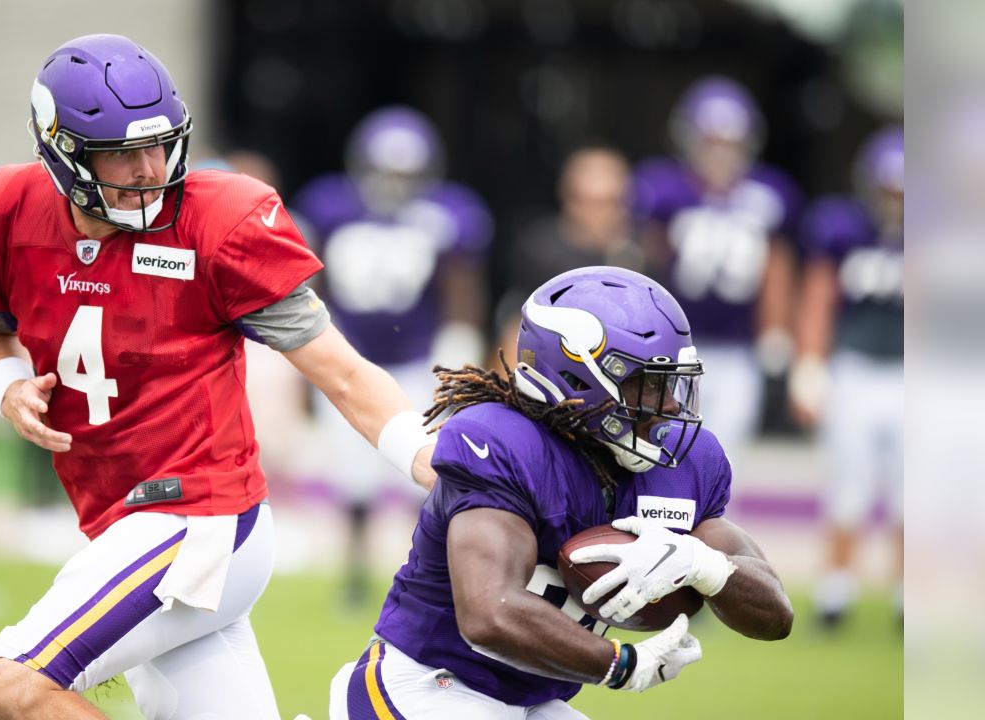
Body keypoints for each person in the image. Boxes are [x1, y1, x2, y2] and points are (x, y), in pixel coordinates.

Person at [0, 35, 438, 720]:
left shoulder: (217, 221)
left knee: (12, 682)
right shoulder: (4, 209)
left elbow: (340, 372)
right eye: (122, 152)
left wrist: (433, 461)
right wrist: (6, 384)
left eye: (160, 144)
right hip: (121, 520)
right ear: (60, 149)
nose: (149, 168)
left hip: (198, 521)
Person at [329, 267, 793, 719]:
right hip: (430, 683)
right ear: (579, 378)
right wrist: (620, 664)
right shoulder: (502, 443)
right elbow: (490, 614)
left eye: (671, 381)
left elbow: (776, 617)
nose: (669, 405)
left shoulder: (685, 462)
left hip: (537, 700)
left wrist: (705, 565)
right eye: (647, 383)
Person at [292, 105, 493, 606]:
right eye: (384, 171)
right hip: (347, 357)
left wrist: (460, 340)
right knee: (352, 474)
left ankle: (421, 572)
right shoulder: (330, 207)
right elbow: (309, 279)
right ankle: (356, 576)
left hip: (414, 359)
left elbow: (461, 283)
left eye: (404, 173)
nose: (393, 183)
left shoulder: (446, 215)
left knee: (420, 467)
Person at [633, 76, 801, 454]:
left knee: (724, 455)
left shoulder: (768, 194)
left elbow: (777, 264)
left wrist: (777, 328)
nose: (720, 153)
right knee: (663, 445)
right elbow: (644, 260)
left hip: (738, 347)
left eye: (730, 143)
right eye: (710, 142)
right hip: (672, 347)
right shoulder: (664, 188)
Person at [790, 126, 904, 628]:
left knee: (913, 491)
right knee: (847, 485)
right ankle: (836, 591)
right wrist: (809, 364)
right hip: (856, 368)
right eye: (889, 190)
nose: (896, 202)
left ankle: (908, 595)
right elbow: (819, 295)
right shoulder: (845, 229)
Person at [495, 145, 643, 372]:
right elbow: (517, 323)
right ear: (567, 197)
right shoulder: (541, 247)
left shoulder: (639, 254)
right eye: (590, 201)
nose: (600, 214)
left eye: (611, 202)